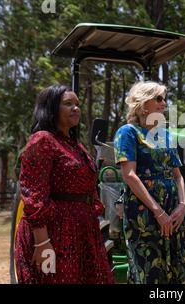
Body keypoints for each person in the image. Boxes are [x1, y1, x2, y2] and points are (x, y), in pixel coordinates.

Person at [14, 85, 114, 284]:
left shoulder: (74, 144)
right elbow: (35, 194)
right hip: (55, 232)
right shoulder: (42, 141)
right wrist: (42, 242)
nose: (75, 108)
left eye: (77, 104)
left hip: (81, 230)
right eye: (68, 104)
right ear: (51, 109)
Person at [114, 81, 185, 284]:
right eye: (158, 98)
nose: (164, 103)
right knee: (150, 271)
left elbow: (177, 175)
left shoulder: (165, 135)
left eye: (164, 98)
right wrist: (158, 212)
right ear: (143, 104)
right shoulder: (128, 132)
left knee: (178, 270)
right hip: (144, 213)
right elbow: (130, 175)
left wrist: (182, 206)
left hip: (173, 213)